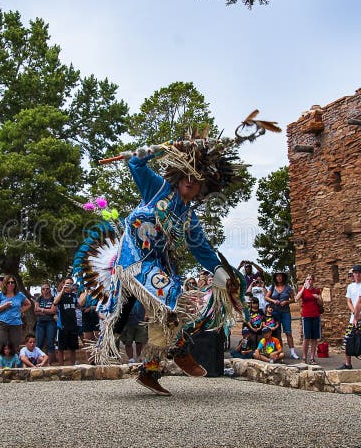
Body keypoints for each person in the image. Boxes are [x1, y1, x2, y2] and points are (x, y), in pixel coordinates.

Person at [73, 138, 245, 396]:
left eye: (197, 180)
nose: (190, 181)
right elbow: (135, 164)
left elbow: (203, 251)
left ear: (201, 189)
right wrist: (151, 151)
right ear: (178, 175)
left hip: (157, 265)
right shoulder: (158, 188)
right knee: (169, 301)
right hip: (133, 260)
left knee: (165, 311)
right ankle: (180, 349)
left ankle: (150, 370)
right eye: (187, 174)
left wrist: (222, 273)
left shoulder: (189, 218)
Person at [0, 273, 30, 369]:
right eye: (9, 282)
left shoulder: (19, 295)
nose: (11, 284)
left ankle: (15, 370)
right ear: (5, 284)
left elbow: (28, 304)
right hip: (2, 324)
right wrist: (4, 306)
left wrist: (19, 311)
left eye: (13, 282)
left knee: (14, 348)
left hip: (16, 324)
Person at [341, 264, 361, 370]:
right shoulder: (350, 286)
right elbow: (349, 301)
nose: (357, 275)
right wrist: (354, 312)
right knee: (347, 340)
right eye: (355, 273)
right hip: (353, 318)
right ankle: (348, 363)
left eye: (359, 273)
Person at [265, 271, 298, 359]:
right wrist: (273, 301)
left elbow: (294, 299)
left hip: (285, 312)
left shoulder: (288, 288)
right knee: (278, 333)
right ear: (275, 278)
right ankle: (281, 352)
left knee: (288, 332)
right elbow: (266, 297)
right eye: (277, 276)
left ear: (283, 277)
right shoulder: (272, 287)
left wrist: (287, 301)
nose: (279, 278)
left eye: (280, 276)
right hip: (275, 313)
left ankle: (292, 352)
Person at [296, 273, 323, 364]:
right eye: (307, 279)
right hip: (306, 316)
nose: (309, 281)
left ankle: (312, 358)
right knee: (306, 338)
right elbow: (297, 298)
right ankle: (304, 358)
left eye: (310, 279)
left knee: (314, 338)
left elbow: (321, 303)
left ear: (313, 281)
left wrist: (318, 297)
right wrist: (304, 288)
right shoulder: (302, 290)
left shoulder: (316, 290)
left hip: (315, 315)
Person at [54, 277, 80, 366]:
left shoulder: (74, 296)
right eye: (67, 283)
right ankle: (61, 367)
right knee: (61, 347)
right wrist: (62, 290)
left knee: (73, 347)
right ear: (63, 284)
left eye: (70, 283)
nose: (69, 285)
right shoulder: (60, 295)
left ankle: (72, 366)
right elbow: (55, 302)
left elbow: (78, 306)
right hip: (63, 325)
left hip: (73, 324)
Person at [34, 281, 57, 356]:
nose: (45, 290)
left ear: (50, 289)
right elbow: (35, 311)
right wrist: (48, 311)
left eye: (47, 288)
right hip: (40, 323)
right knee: (39, 343)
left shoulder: (53, 298)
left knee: (50, 343)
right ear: (41, 290)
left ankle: (49, 363)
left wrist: (41, 309)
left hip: (50, 322)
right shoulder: (39, 298)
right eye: (43, 289)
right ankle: (39, 362)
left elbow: (53, 311)